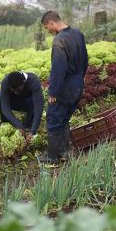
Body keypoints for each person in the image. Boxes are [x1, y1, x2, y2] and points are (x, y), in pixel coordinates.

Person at [40, 11, 88, 164]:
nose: (49, 31)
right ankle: (64, 152)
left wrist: (53, 91)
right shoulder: (77, 33)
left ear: (52, 23)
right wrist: (81, 78)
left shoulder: (59, 41)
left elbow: (58, 69)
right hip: (78, 82)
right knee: (65, 117)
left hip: (65, 86)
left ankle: (52, 156)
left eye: (48, 28)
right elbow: (85, 59)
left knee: (54, 119)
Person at [0, 71, 44, 141]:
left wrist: (33, 130)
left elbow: (38, 107)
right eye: (13, 90)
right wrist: (18, 124)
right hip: (15, 102)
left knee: (34, 100)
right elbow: (5, 106)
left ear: (24, 82)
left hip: (28, 103)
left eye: (18, 90)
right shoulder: (6, 82)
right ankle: (7, 122)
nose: (16, 92)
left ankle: (28, 124)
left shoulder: (33, 80)